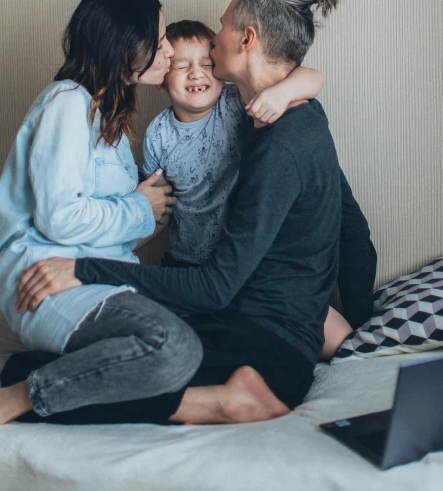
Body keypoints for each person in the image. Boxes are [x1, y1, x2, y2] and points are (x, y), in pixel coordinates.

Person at [0, 0, 314, 449]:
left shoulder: (110, 119)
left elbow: (114, 231)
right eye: (161, 39)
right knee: (173, 348)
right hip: (47, 279)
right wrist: (140, 208)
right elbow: (60, 219)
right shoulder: (67, 103)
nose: (168, 51)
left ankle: (51, 380)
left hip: (100, 278)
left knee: (223, 334)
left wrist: (144, 217)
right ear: (129, 44)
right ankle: (12, 399)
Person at [10, 0, 377, 426]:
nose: (209, 40)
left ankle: (17, 396)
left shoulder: (274, 137)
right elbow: (351, 222)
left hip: (260, 339)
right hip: (243, 315)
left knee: (77, 366)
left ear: (246, 39)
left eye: (221, 26)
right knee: (139, 346)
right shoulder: (289, 116)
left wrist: (85, 269)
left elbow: (218, 286)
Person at [144, 19, 374, 356]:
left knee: (343, 343)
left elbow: (314, 79)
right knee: (172, 345)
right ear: (163, 81)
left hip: (252, 267)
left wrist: (282, 93)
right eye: (182, 66)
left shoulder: (239, 104)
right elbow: (158, 207)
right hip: (190, 265)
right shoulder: (158, 135)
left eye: (207, 64)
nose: (196, 73)